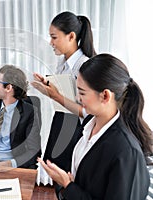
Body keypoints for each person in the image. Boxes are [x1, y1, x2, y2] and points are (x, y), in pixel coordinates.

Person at [38, 54, 152, 200]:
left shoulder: (126, 151)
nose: (78, 98)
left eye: (82, 92)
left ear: (105, 96)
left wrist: (68, 185)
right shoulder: (89, 124)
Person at [32, 11, 96, 117]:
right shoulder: (62, 63)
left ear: (71, 36)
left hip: (77, 127)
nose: (50, 42)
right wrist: (48, 86)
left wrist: (55, 96)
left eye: (54, 37)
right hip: (61, 120)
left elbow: (88, 113)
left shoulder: (84, 66)